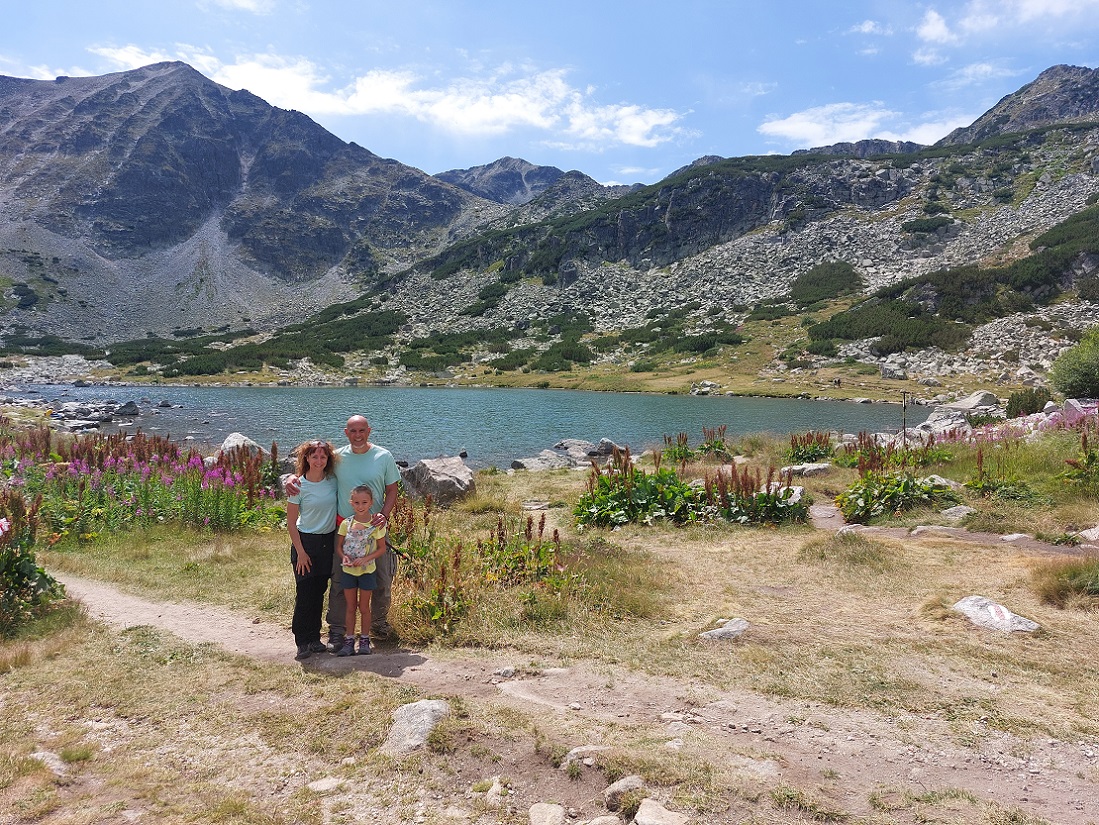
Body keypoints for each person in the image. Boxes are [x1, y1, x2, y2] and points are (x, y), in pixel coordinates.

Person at [284, 415, 401, 652]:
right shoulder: (339, 458)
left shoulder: (384, 456)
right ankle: (336, 632)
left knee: (380, 579)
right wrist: (290, 478)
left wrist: (385, 515)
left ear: (369, 431)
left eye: (362, 430)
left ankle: (378, 625)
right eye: (353, 431)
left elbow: (392, 489)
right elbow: (314, 471)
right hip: (343, 532)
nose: (358, 435)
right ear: (346, 433)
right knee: (339, 582)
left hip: (375, 530)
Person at [285, 439, 339, 661]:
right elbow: (291, 522)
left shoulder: (333, 481)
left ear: (328, 460)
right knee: (305, 593)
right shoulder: (297, 485)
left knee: (319, 592)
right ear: (306, 458)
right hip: (305, 542)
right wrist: (301, 552)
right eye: (314, 456)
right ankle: (302, 641)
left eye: (323, 456)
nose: (319, 460)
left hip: (328, 542)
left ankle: (315, 638)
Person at [334, 485, 387, 656]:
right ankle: (349, 640)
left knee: (364, 607)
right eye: (356, 502)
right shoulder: (346, 524)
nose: (360, 506)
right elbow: (339, 547)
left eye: (364, 502)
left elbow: (382, 549)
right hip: (349, 572)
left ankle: (364, 639)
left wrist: (366, 559)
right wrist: (344, 557)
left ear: (371, 503)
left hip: (367, 572)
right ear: (351, 503)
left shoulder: (376, 524)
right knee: (350, 607)